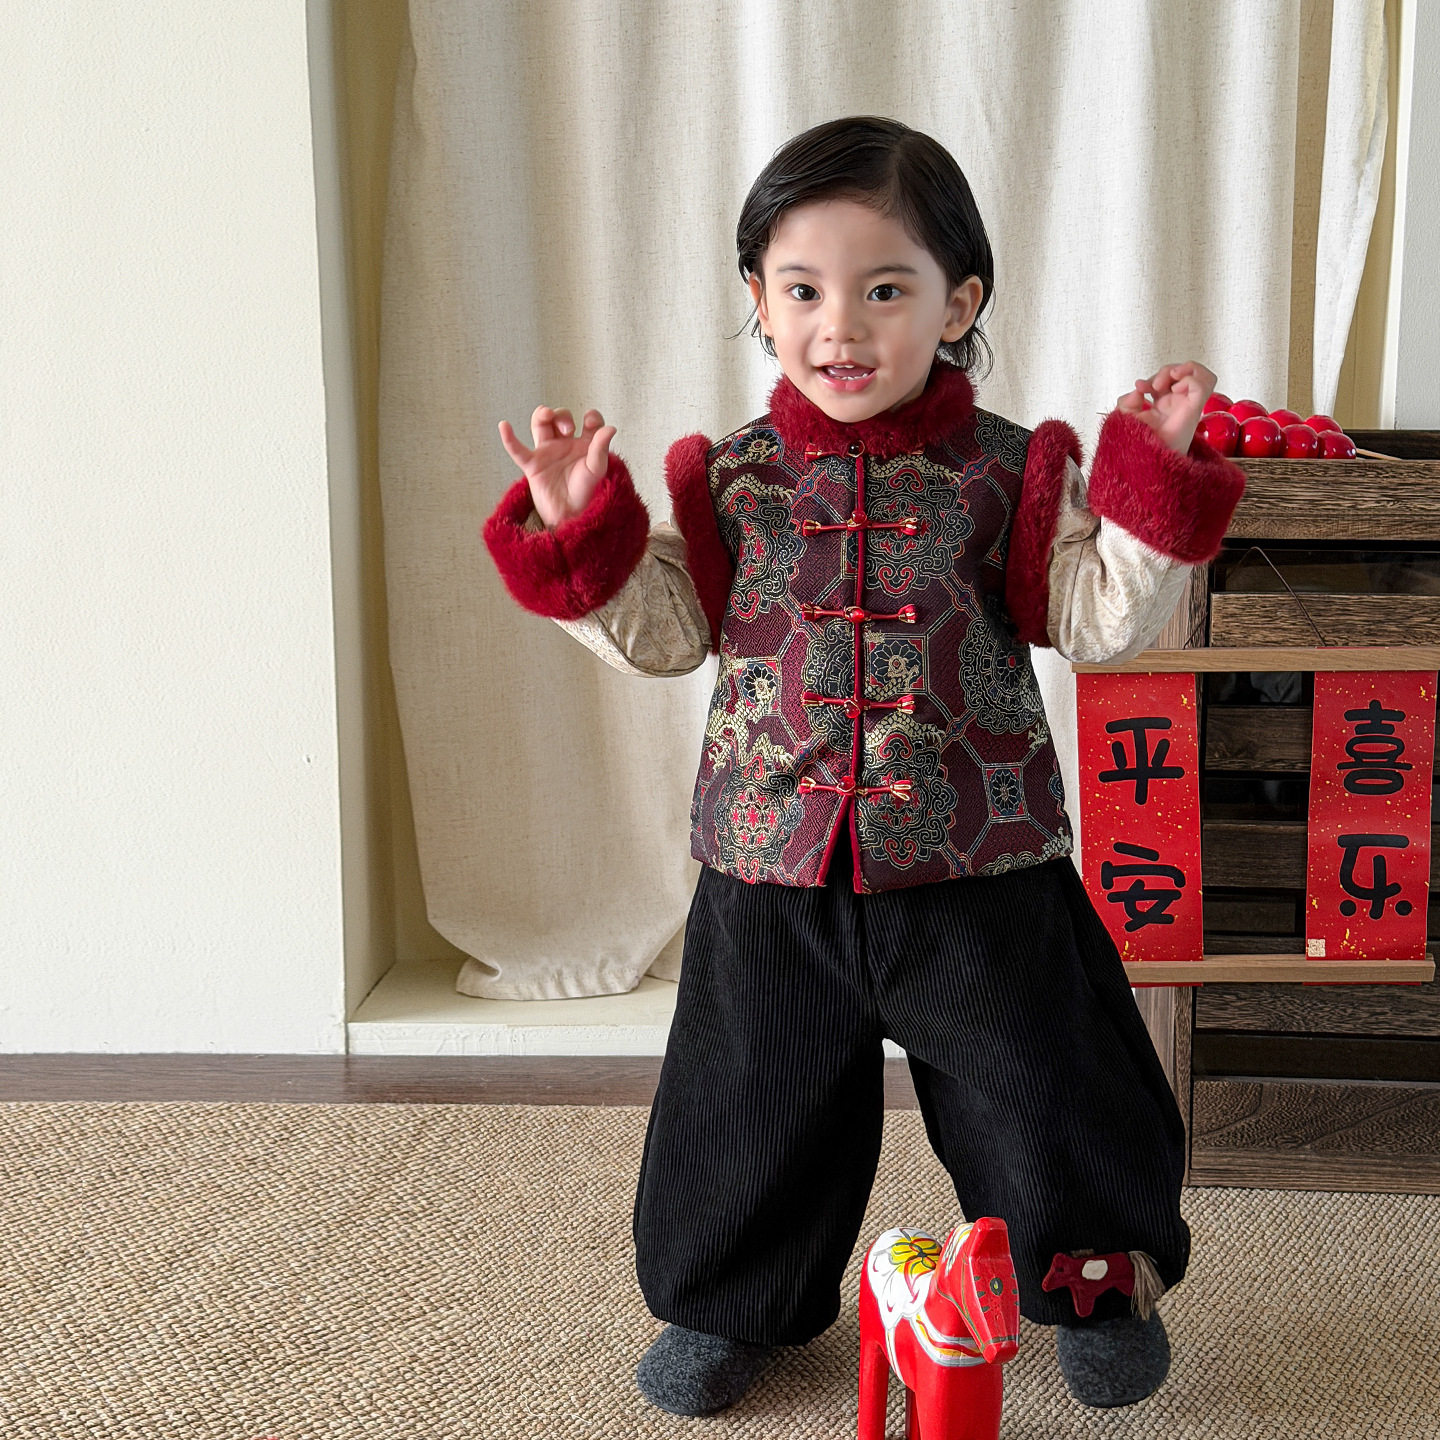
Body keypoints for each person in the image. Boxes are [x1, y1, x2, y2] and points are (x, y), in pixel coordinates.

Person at [485, 116, 1245, 1416]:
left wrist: (1149, 486)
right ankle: (731, 1301)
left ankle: (1094, 1281)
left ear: (960, 303)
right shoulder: (731, 481)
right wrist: (579, 527)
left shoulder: (1012, 469)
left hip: (980, 869)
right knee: (748, 1103)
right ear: (757, 299)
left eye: (885, 290)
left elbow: (1096, 619)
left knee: (1047, 1088)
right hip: (769, 873)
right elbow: (665, 636)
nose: (841, 325)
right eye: (803, 290)